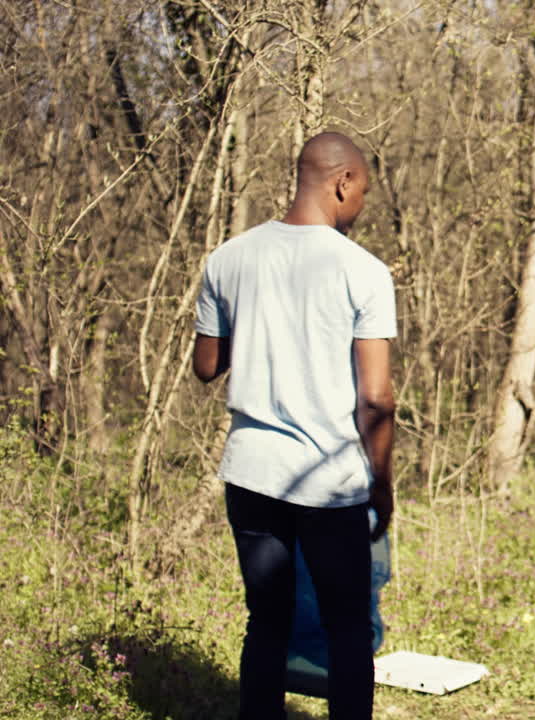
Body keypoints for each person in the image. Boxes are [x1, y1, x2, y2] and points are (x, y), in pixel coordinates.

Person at [193, 131, 397, 720]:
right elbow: (377, 399)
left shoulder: (229, 258)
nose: (361, 204)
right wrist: (380, 484)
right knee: (347, 628)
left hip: (252, 475)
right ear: (343, 183)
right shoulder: (364, 271)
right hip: (331, 483)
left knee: (266, 621)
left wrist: (255, 324)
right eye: (363, 191)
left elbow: (207, 366)